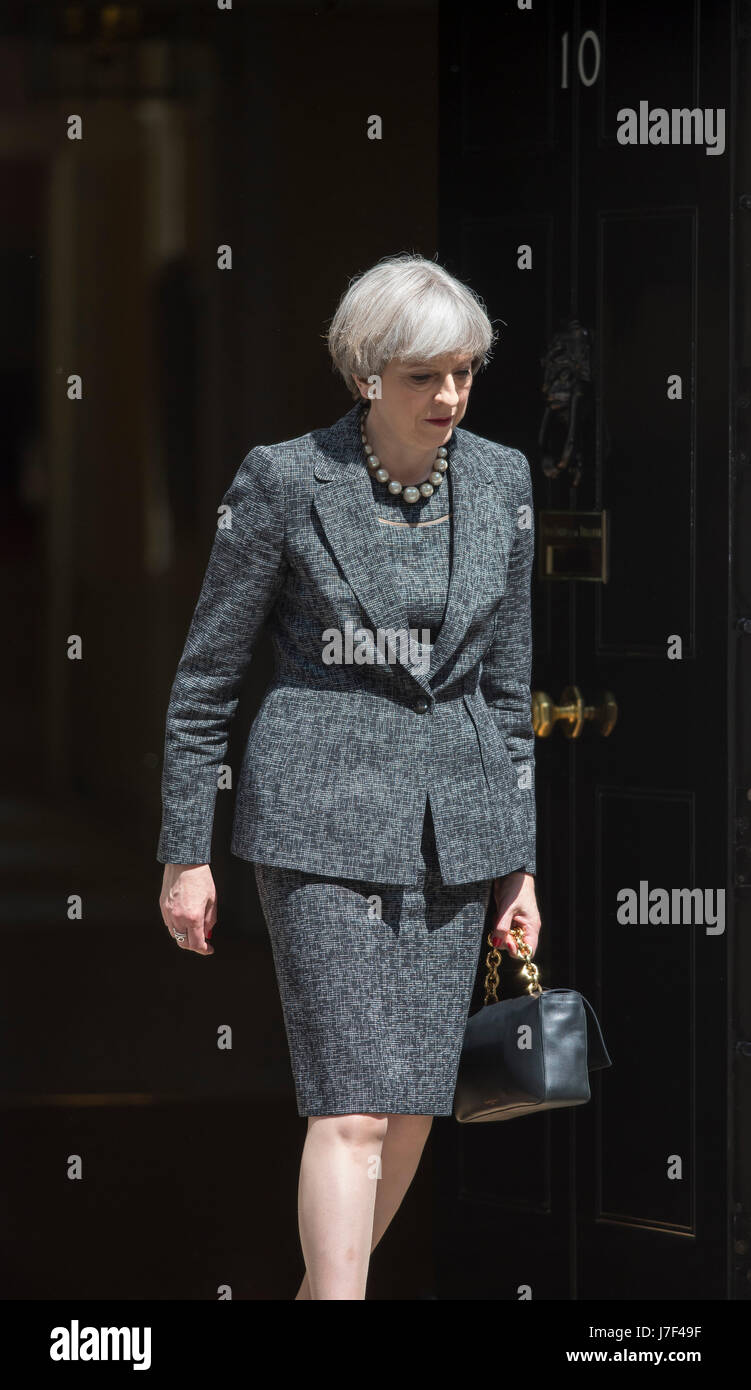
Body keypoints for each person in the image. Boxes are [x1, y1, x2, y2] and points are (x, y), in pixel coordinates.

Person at [157, 252, 542, 1300]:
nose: (450, 397)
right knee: (354, 1105)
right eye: (425, 376)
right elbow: (206, 677)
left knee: (412, 1104)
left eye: (463, 372)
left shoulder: (503, 479)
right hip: (318, 827)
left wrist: (520, 869)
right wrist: (184, 850)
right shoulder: (284, 480)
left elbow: (510, 700)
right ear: (368, 374)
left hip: (455, 834)